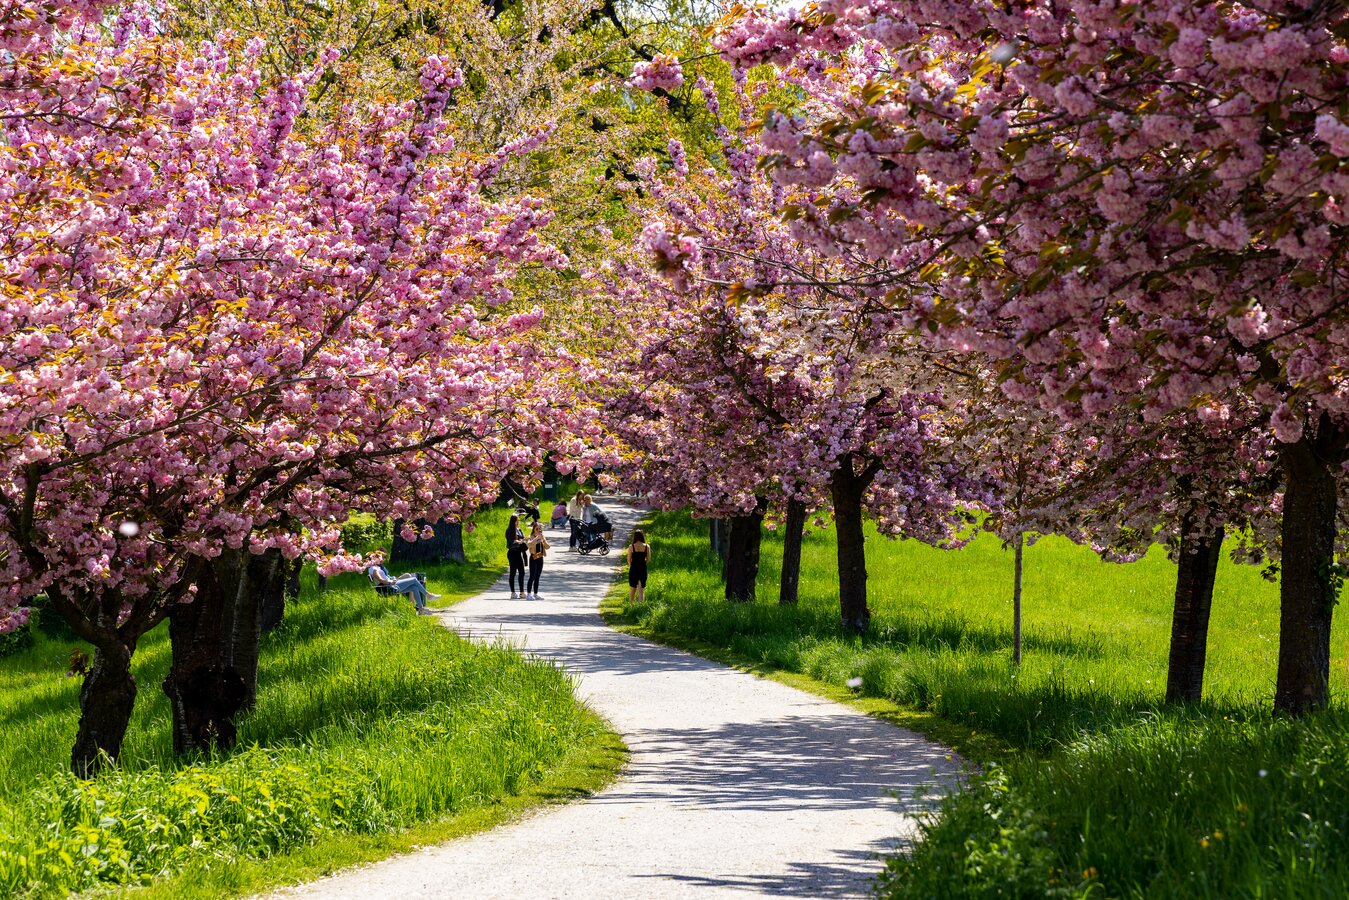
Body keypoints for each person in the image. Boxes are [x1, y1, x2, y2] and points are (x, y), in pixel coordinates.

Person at [367, 563, 440, 614]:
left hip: (389, 585)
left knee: (414, 588)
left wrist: (392, 579)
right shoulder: (374, 569)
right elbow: (381, 580)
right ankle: (428, 595)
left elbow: (383, 578)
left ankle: (421, 609)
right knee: (414, 579)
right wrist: (390, 582)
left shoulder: (376, 568)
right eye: (381, 557)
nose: (382, 559)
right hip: (388, 588)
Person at [525, 521, 551, 601]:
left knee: (537, 576)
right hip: (533, 558)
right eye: (537, 529)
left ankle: (535, 594)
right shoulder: (530, 536)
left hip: (540, 557)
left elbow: (547, 547)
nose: (538, 531)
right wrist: (536, 538)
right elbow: (529, 545)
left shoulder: (542, 536)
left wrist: (543, 540)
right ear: (533, 529)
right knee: (532, 576)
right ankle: (528, 594)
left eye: (540, 529)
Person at [506, 514, 528, 599]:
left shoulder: (519, 529)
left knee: (522, 572)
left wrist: (525, 539)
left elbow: (521, 538)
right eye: (517, 520)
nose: (518, 521)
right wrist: (521, 541)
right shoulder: (509, 530)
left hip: (519, 552)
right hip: (512, 553)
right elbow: (511, 542)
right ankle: (513, 592)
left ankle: (522, 592)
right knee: (513, 573)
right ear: (514, 521)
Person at [627, 529, 651, 603]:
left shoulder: (631, 547)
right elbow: (648, 559)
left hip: (634, 568)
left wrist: (632, 566)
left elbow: (629, 559)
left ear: (635, 537)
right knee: (641, 590)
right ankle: (640, 607)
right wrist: (643, 564)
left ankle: (631, 606)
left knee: (632, 589)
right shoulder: (647, 546)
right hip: (643, 568)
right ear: (642, 536)